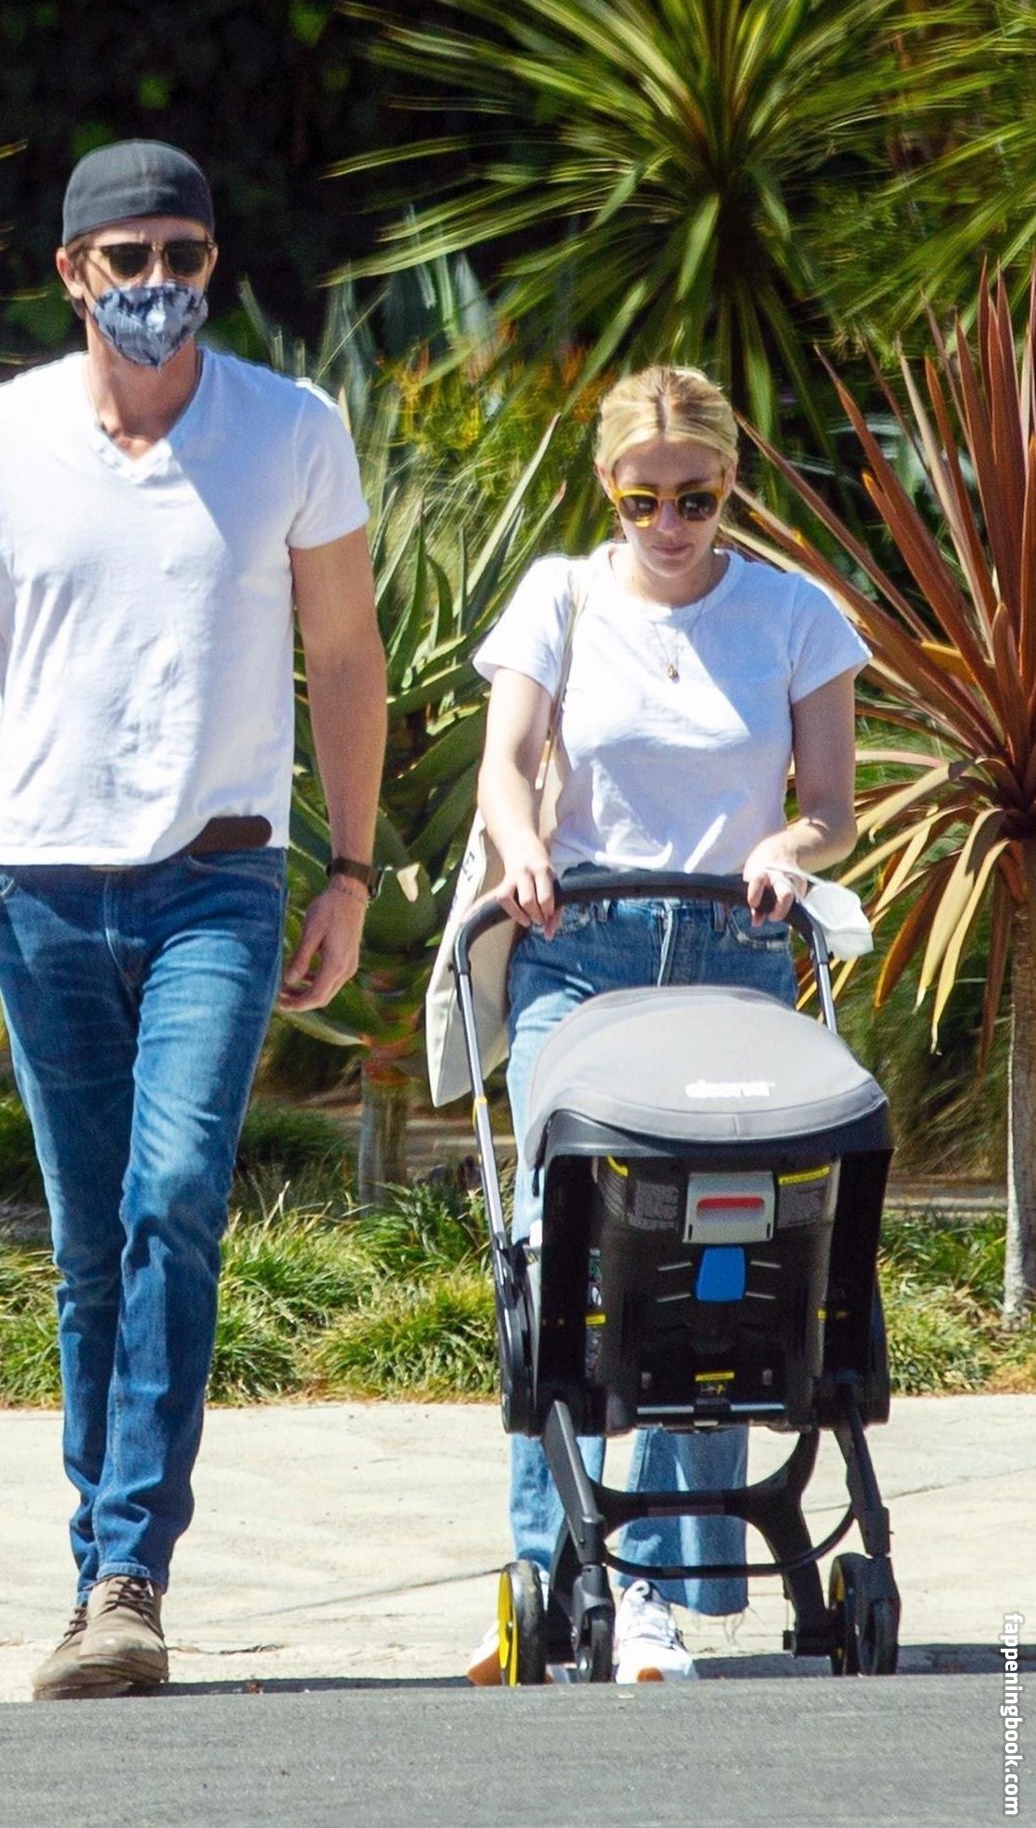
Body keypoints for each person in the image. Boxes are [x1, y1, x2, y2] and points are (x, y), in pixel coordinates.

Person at [0, 140, 387, 1700]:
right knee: (88, 1244)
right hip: (44, 885)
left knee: (175, 1195)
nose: (158, 284)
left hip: (219, 878)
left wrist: (347, 870)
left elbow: (344, 652)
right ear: (72, 272)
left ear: (214, 265)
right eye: (128, 258)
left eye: (184, 256)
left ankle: (131, 1573)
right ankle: (99, 1573)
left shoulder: (290, 428)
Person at [466, 363, 868, 1684]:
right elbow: (506, 765)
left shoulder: (794, 616)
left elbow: (831, 808)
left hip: (731, 953)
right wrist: (524, 849)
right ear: (607, 489)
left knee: (716, 1251)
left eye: (696, 497)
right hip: (582, 952)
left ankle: (667, 1581)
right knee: (561, 1246)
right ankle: (557, 1571)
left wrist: (786, 848)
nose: (671, 524)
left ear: (729, 484)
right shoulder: (561, 598)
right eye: (643, 500)